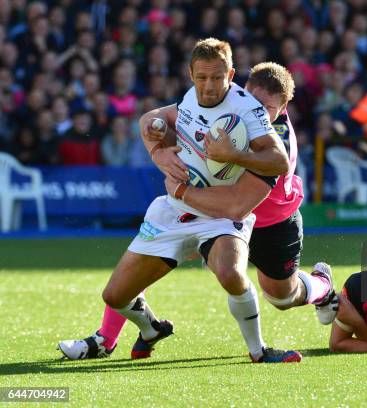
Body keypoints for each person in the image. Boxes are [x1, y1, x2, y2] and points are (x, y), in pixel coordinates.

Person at [58, 60, 337, 360]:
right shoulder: (229, 104)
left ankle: (322, 287)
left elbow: (236, 202)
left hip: (268, 220)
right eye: (251, 98)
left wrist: (187, 185)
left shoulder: (278, 143)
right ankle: (107, 338)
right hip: (213, 213)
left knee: (283, 297)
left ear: (282, 108)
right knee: (142, 261)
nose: (255, 109)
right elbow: (160, 119)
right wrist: (160, 149)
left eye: (265, 107)